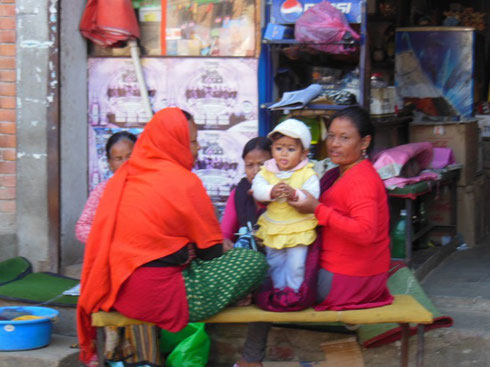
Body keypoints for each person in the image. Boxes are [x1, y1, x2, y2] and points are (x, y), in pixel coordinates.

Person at [77, 108, 268, 366]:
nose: (197, 147)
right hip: (163, 295)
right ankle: (237, 296)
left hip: (118, 293)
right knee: (252, 262)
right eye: (191, 140)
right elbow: (209, 252)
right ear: (173, 142)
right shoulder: (183, 181)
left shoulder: (123, 177)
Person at [236, 106, 393, 367]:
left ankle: (250, 360)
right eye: (331, 136)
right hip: (346, 269)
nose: (334, 144)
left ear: (365, 142)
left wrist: (317, 210)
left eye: (345, 138)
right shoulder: (341, 172)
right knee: (268, 265)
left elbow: (364, 232)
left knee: (264, 278)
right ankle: (251, 359)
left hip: (348, 277)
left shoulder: (362, 179)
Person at [252, 119, 320, 292]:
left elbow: (313, 194)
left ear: (304, 153)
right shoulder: (267, 171)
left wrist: (295, 194)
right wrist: (271, 191)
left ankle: (294, 292)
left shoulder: (307, 173)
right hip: (274, 226)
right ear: (272, 149)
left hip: (298, 227)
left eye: (291, 149)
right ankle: (280, 291)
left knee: (296, 264)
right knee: (274, 261)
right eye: (278, 148)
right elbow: (257, 188)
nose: (283, 154)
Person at [75, 131, 137, 244]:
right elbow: (82, 227)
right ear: (110, 163)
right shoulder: (102, 190)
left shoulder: (150, 186)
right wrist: (109, 239)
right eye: (118, 159)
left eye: (130, 156)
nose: (125, 163)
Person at [220, 136, 272, 247]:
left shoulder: (282, 192)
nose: (256, 171)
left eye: (262, 165)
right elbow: (225, 234)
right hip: (250, 258)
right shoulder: (239, 193)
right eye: (249, 166)